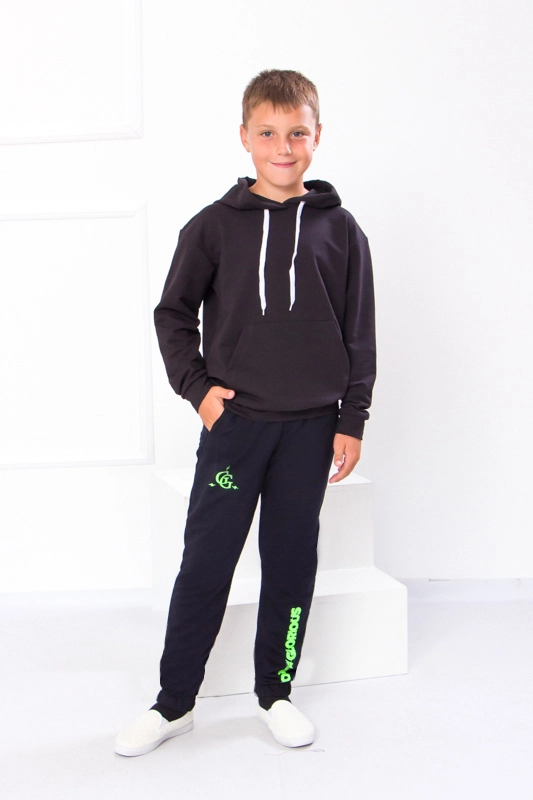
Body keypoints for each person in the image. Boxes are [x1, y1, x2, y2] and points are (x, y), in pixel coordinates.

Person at [114, 68, 377, 757]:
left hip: (311, 431)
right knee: (206, 563)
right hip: (236, 431)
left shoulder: (341, 230)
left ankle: (274, 692)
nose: (282, 147)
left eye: (296, 133)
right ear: (244, 137)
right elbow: (172, 314)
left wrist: (351, 419)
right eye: (267, 133)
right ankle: (174, 703)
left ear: (317, 137)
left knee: (290, 564)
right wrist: (198, 390)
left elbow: (359, 332)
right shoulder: (212, 227)